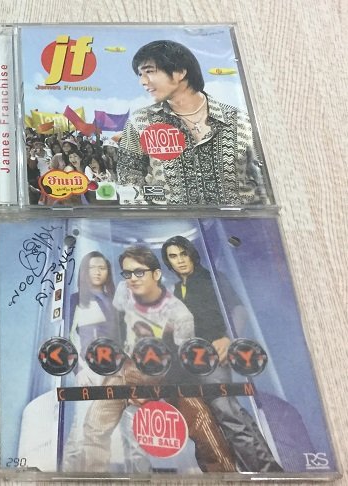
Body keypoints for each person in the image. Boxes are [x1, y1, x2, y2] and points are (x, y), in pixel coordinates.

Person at [68, 246, 237, 473]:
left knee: (203, 422)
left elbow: (184, 360)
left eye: (139, 272)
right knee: (95, 423)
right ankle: (91, 477)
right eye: (127, 273)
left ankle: (226, 477)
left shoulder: (179, 313)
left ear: (156, 274)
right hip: (127, 369)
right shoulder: (122, 292)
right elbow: (116, 335)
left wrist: (152, 388)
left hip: (168, 373)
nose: (132, 278)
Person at [161, 236, 282, 472]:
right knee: (221, 416)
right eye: (173, 256)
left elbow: (239, 309)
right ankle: (258, 469)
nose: (180, 260)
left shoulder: (211, 278)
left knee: (227, 413)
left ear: (192, 254)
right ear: (168, 262)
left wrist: (228, 338)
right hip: (188, 362)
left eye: (183, 254)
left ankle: (267, 471)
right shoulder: (177, 288)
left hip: (212, 357)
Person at [116, 40, 268, 205]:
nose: (143, 81)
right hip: (171, 220)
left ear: (180, 72)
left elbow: (264, 183)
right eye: (140, 75)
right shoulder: (140, 121)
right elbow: (128, 180)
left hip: (239, 219)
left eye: (149, 72)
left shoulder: (239, 120)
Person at [62, 252, 119, 468]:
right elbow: (66, 337)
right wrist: (78, 369)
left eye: (102, 268)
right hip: (89, 369)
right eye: (92, 267)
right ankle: (67, 476)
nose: (97, 272)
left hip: (117, 370)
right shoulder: (75, 299)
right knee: (81, 428)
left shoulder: (115, 300)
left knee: (120, 430)